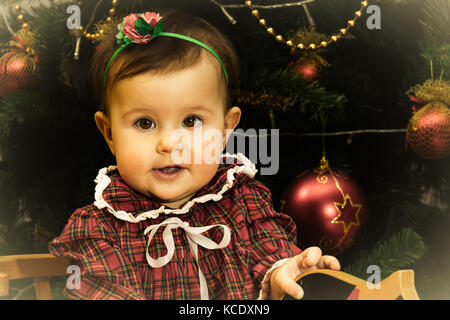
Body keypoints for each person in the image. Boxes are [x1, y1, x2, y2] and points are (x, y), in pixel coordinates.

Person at [48, 10, 340, 300]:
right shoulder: (99, 227)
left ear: (226, 129)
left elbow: (269, 247)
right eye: (144, 123)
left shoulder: (243, 201)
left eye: (191, 122)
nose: (168, 144)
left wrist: (284, 271)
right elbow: (102, 290)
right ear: (109, 133)